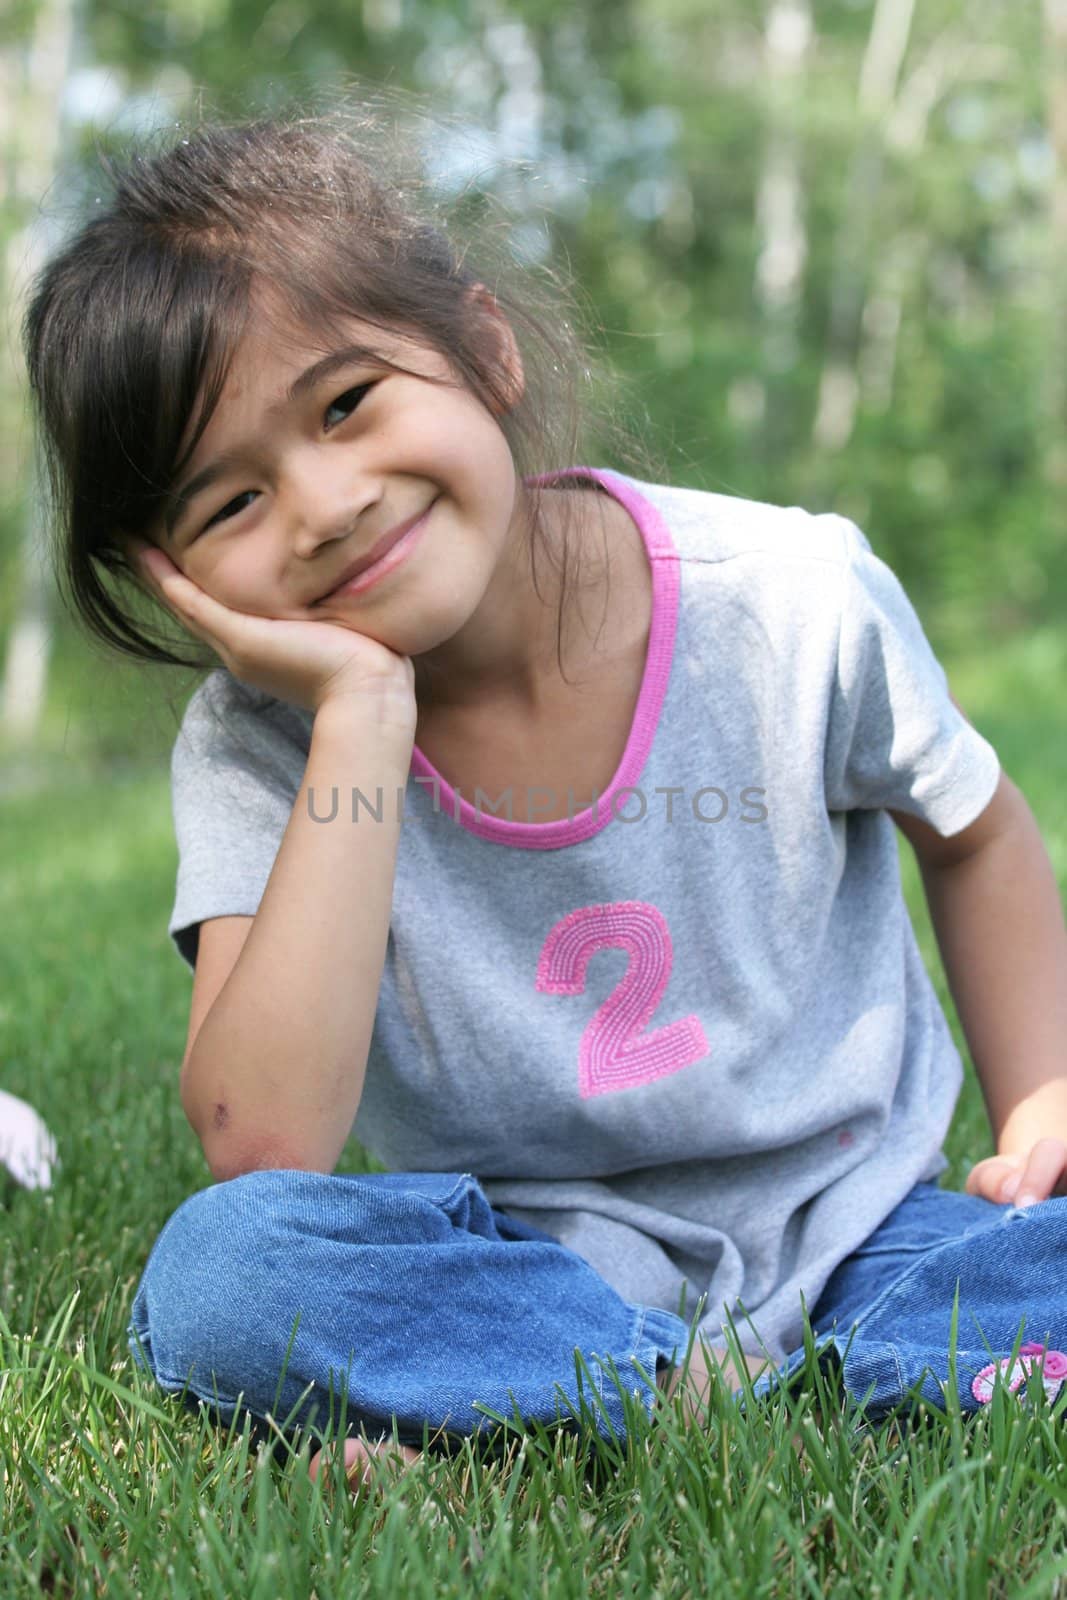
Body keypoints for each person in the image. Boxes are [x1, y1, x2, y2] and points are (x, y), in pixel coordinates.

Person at [22, 110, 1067, 1497]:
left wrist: (1042, 1098)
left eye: (345, 404)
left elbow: (979, 829)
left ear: (486, 351)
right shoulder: (257, 748)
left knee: (1010, 1270)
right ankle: (663, 1391)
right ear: (178, 580)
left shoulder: (788, 601)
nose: (325, 503)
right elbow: (264, 1146)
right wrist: (360, 719)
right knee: (223, 1278)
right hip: (524, 1275)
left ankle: (545, 1431)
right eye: (232, 502)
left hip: (868, 1231)